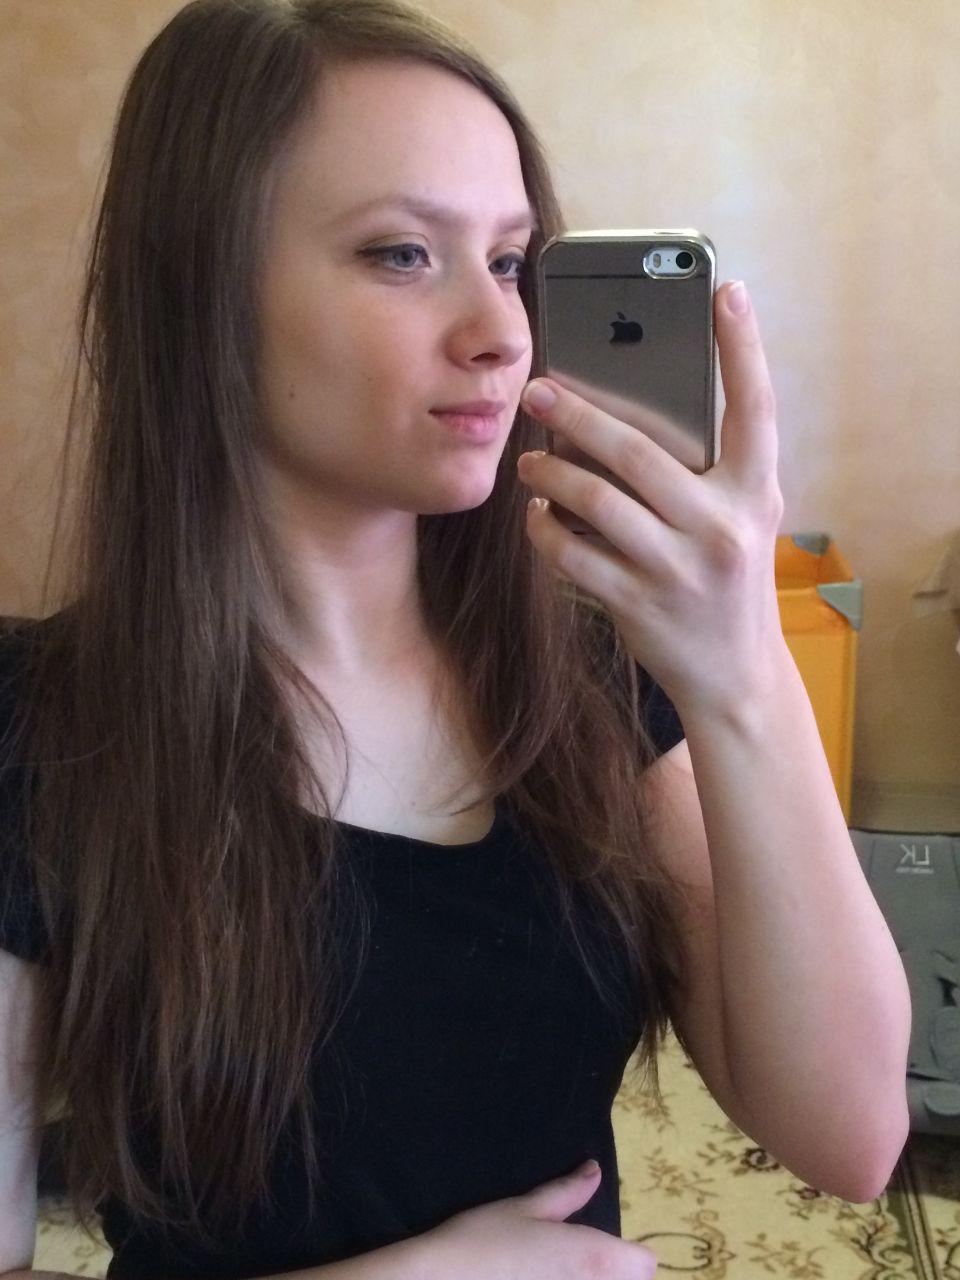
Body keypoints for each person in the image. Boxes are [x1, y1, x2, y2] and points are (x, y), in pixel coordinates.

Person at [0, 1, 912, 1278]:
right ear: (199, 287)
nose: (502, 330)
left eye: (511, 259)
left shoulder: (590, 682)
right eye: (402, 254)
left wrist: (742, 665)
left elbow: (851, 1135)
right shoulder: (38, 730)